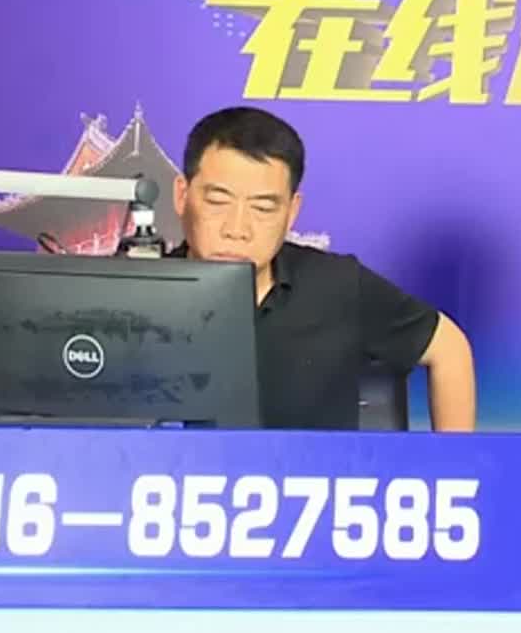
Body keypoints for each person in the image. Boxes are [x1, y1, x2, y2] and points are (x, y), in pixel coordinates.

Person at [170, 106, 476, 430]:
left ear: (292, 212)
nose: (237, 228)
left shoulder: (336, 285)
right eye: (218, 202)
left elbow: (449, 348)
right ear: (182, 196)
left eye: (262, 208)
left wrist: (453, 458)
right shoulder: (139, 295)